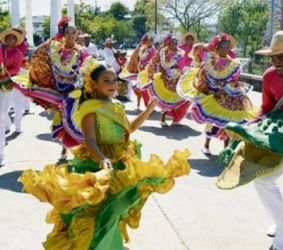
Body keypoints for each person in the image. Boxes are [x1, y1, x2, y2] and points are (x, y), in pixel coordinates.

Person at [19, 58, 190, 250]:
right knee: (100, 215)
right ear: (94, 84)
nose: (112, 84)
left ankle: (111, 245)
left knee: (117, 210)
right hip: (98, 164)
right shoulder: (89, 108)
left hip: (121, 160)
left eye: (114, 80)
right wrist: (102, 159)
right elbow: (90, 140)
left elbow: (130, 128)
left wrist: (149, 110)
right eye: (106, 81)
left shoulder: (115, 105)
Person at [13, 25, 89, 160]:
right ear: (63, 34)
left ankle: (85, 151)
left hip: (76, 92)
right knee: (63, 121)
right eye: (67, 32)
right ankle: (64, 150)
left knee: (77, 120)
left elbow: (87, 67)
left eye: (73, 32)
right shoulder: (58, 49)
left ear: (77, 34)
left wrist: (78, 82)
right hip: (59, 90)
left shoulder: (82, 51)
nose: (70, 35)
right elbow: (38, 52)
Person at [254, 30, 283, 250]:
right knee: (261, 179)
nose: (275, 62)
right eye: (273, 57)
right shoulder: (269, 77)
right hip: (281, 139)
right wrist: (249, 128)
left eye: (281, 57)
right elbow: (266, 109)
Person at [177, 33, 256, 155]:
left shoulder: (234, 64)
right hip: (212, 94)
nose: (225, 50)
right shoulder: (210, 61)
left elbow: (234, 80)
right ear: (217, 48)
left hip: (229, 94)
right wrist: (212, 90)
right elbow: (203, 68)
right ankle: (206, 144)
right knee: (211, 120)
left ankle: (226, 148)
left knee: (228, 121)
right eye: (222, 47)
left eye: (227, 47)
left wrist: (225, 89)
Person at [147, 36, 190, 126]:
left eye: (176, 43)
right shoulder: (164, 51)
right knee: (168, 99)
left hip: (178, 78)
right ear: (169, 44)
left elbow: (182, 65)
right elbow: (162, 64)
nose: (175, 45)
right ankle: (163, 119)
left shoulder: (180, 52)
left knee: (182, 99)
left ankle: (176, 119)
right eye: (173, 43)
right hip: (167, 78)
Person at [0, 29, 24, 166]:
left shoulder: (18, 53)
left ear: (15, 41)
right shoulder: (0, 49)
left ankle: (1, 154)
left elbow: (16, 68)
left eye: (12, 39)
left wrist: (4, 74)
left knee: (2, 116)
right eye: (8, 38)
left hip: (7, 84)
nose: (10, 40)